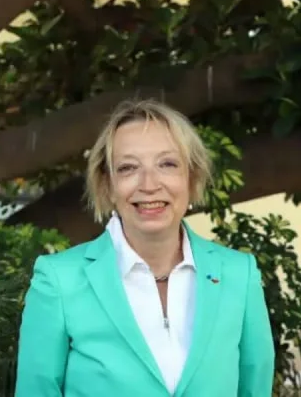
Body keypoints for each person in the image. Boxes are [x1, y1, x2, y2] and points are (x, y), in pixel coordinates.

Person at [14, 99, 275, 396]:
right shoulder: (60, 281)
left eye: (167, 164)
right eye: (128, 168)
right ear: (108, 185)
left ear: (191, 177)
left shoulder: (239, 276)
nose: (149, 184)